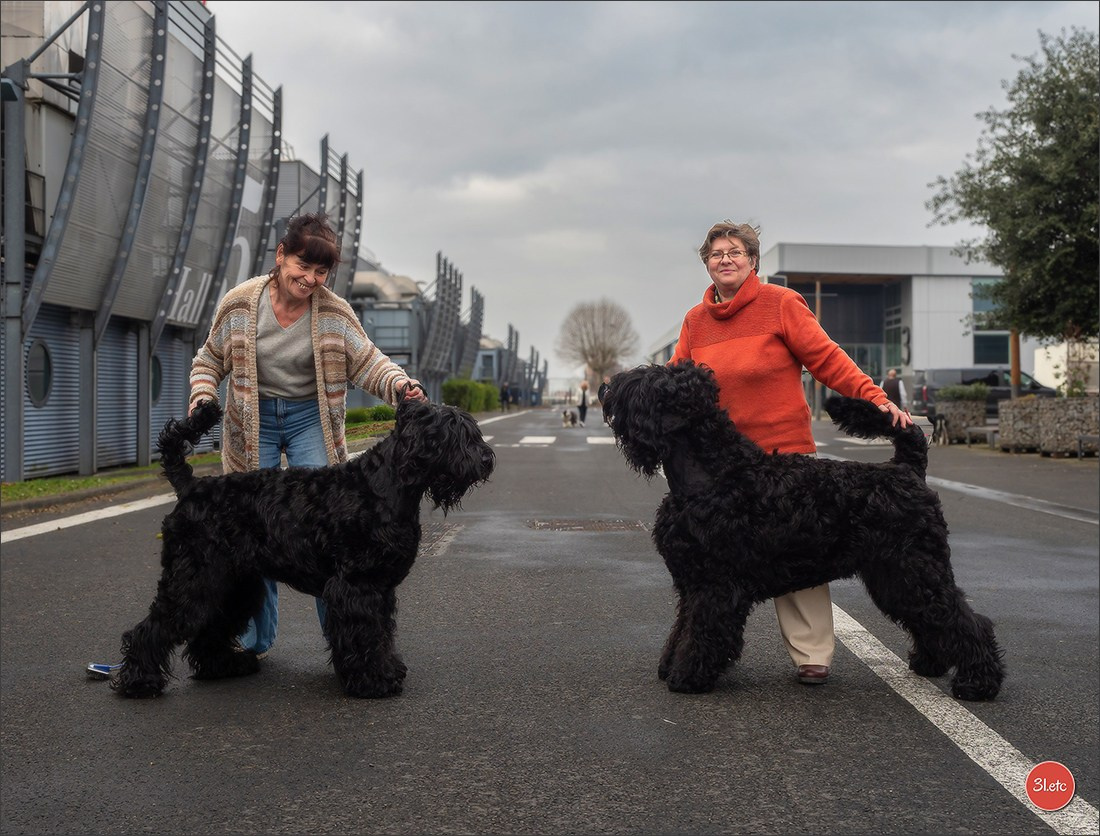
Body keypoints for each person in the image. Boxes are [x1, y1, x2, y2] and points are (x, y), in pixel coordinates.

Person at [669, 220, 912, 686]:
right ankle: (701, 645)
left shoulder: (781, 304)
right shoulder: (695, 321)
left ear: (753, 261)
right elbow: (676, 381)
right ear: (707, 264)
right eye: (716, 253)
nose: (725, 259)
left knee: (800, 554)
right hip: (723, 465)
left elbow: (827, 358)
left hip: (784, 452)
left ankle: (812, 653)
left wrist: (875, 398)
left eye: (735, 252)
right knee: (715, 565)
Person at [188, 212, 426, 658]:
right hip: (252, 421)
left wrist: (400, 385)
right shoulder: (240, 304)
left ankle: (346, 647)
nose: (310, 279)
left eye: (321, 271)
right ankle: (254, 641)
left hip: (309, 418)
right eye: (303, 265)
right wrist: (203, 395)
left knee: (330, 532)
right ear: (281, 256)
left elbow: (369, 362)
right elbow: (208, 360)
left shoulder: (335, 313)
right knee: (253, 528)